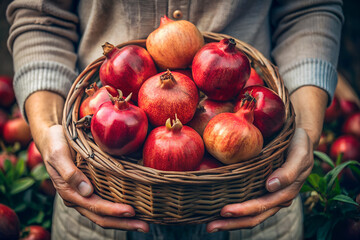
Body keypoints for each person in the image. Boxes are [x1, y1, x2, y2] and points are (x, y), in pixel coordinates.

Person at [6, 0, 343, 239]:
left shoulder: (211, 109)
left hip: (255, 193)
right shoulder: (143, 103)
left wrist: (306, 130)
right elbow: (40, 15)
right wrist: (48, 127)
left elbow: (309, 10)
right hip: (99, 188)